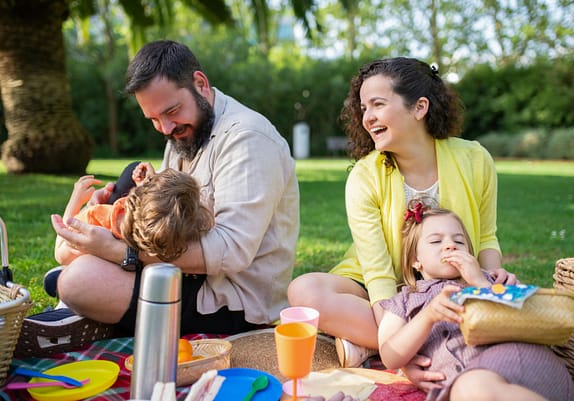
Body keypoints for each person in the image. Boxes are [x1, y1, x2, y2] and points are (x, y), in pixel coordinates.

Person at [22, 40, 299, 355]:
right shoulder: (182, 132)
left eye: (171, 111)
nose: (165, 128)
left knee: (77, 281)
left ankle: (86, 299)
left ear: (200, 84)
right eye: (153, 119)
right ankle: (95, 298)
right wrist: (119, 207)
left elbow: (230, 252)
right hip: (184, 269)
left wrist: (119, 252)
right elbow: (166, 219)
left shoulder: (247, 139)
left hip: (229, 300)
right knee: (128, 176)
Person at [287, 57, 516, 375]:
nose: (367, 118)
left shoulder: (475, 159)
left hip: (450, 283)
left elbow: (487, 236)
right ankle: (427, 344)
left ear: (419, 107)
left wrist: (493, 286)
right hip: (383, 286)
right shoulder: (365, 176)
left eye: (377, 104)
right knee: (304, 292)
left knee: (520, 301)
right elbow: (379, 277)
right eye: (363, 108)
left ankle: (369, 343)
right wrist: (399, 351)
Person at [377, 200, 574, 401]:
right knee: (470, 389)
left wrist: (481, 283)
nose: (450, 245)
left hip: (527, 367)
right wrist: (427, 316)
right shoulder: (404, 300)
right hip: (474, 388)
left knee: (471, 388)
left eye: (459, 241)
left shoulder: (495, 280)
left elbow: (534, 320)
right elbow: (390, 356)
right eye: (436, 241)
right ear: (415, 259)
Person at [54, 167, 213, 266]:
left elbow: (60, 252)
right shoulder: (152, 237)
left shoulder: (98, 216)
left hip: (78, 273)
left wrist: (76, 201)